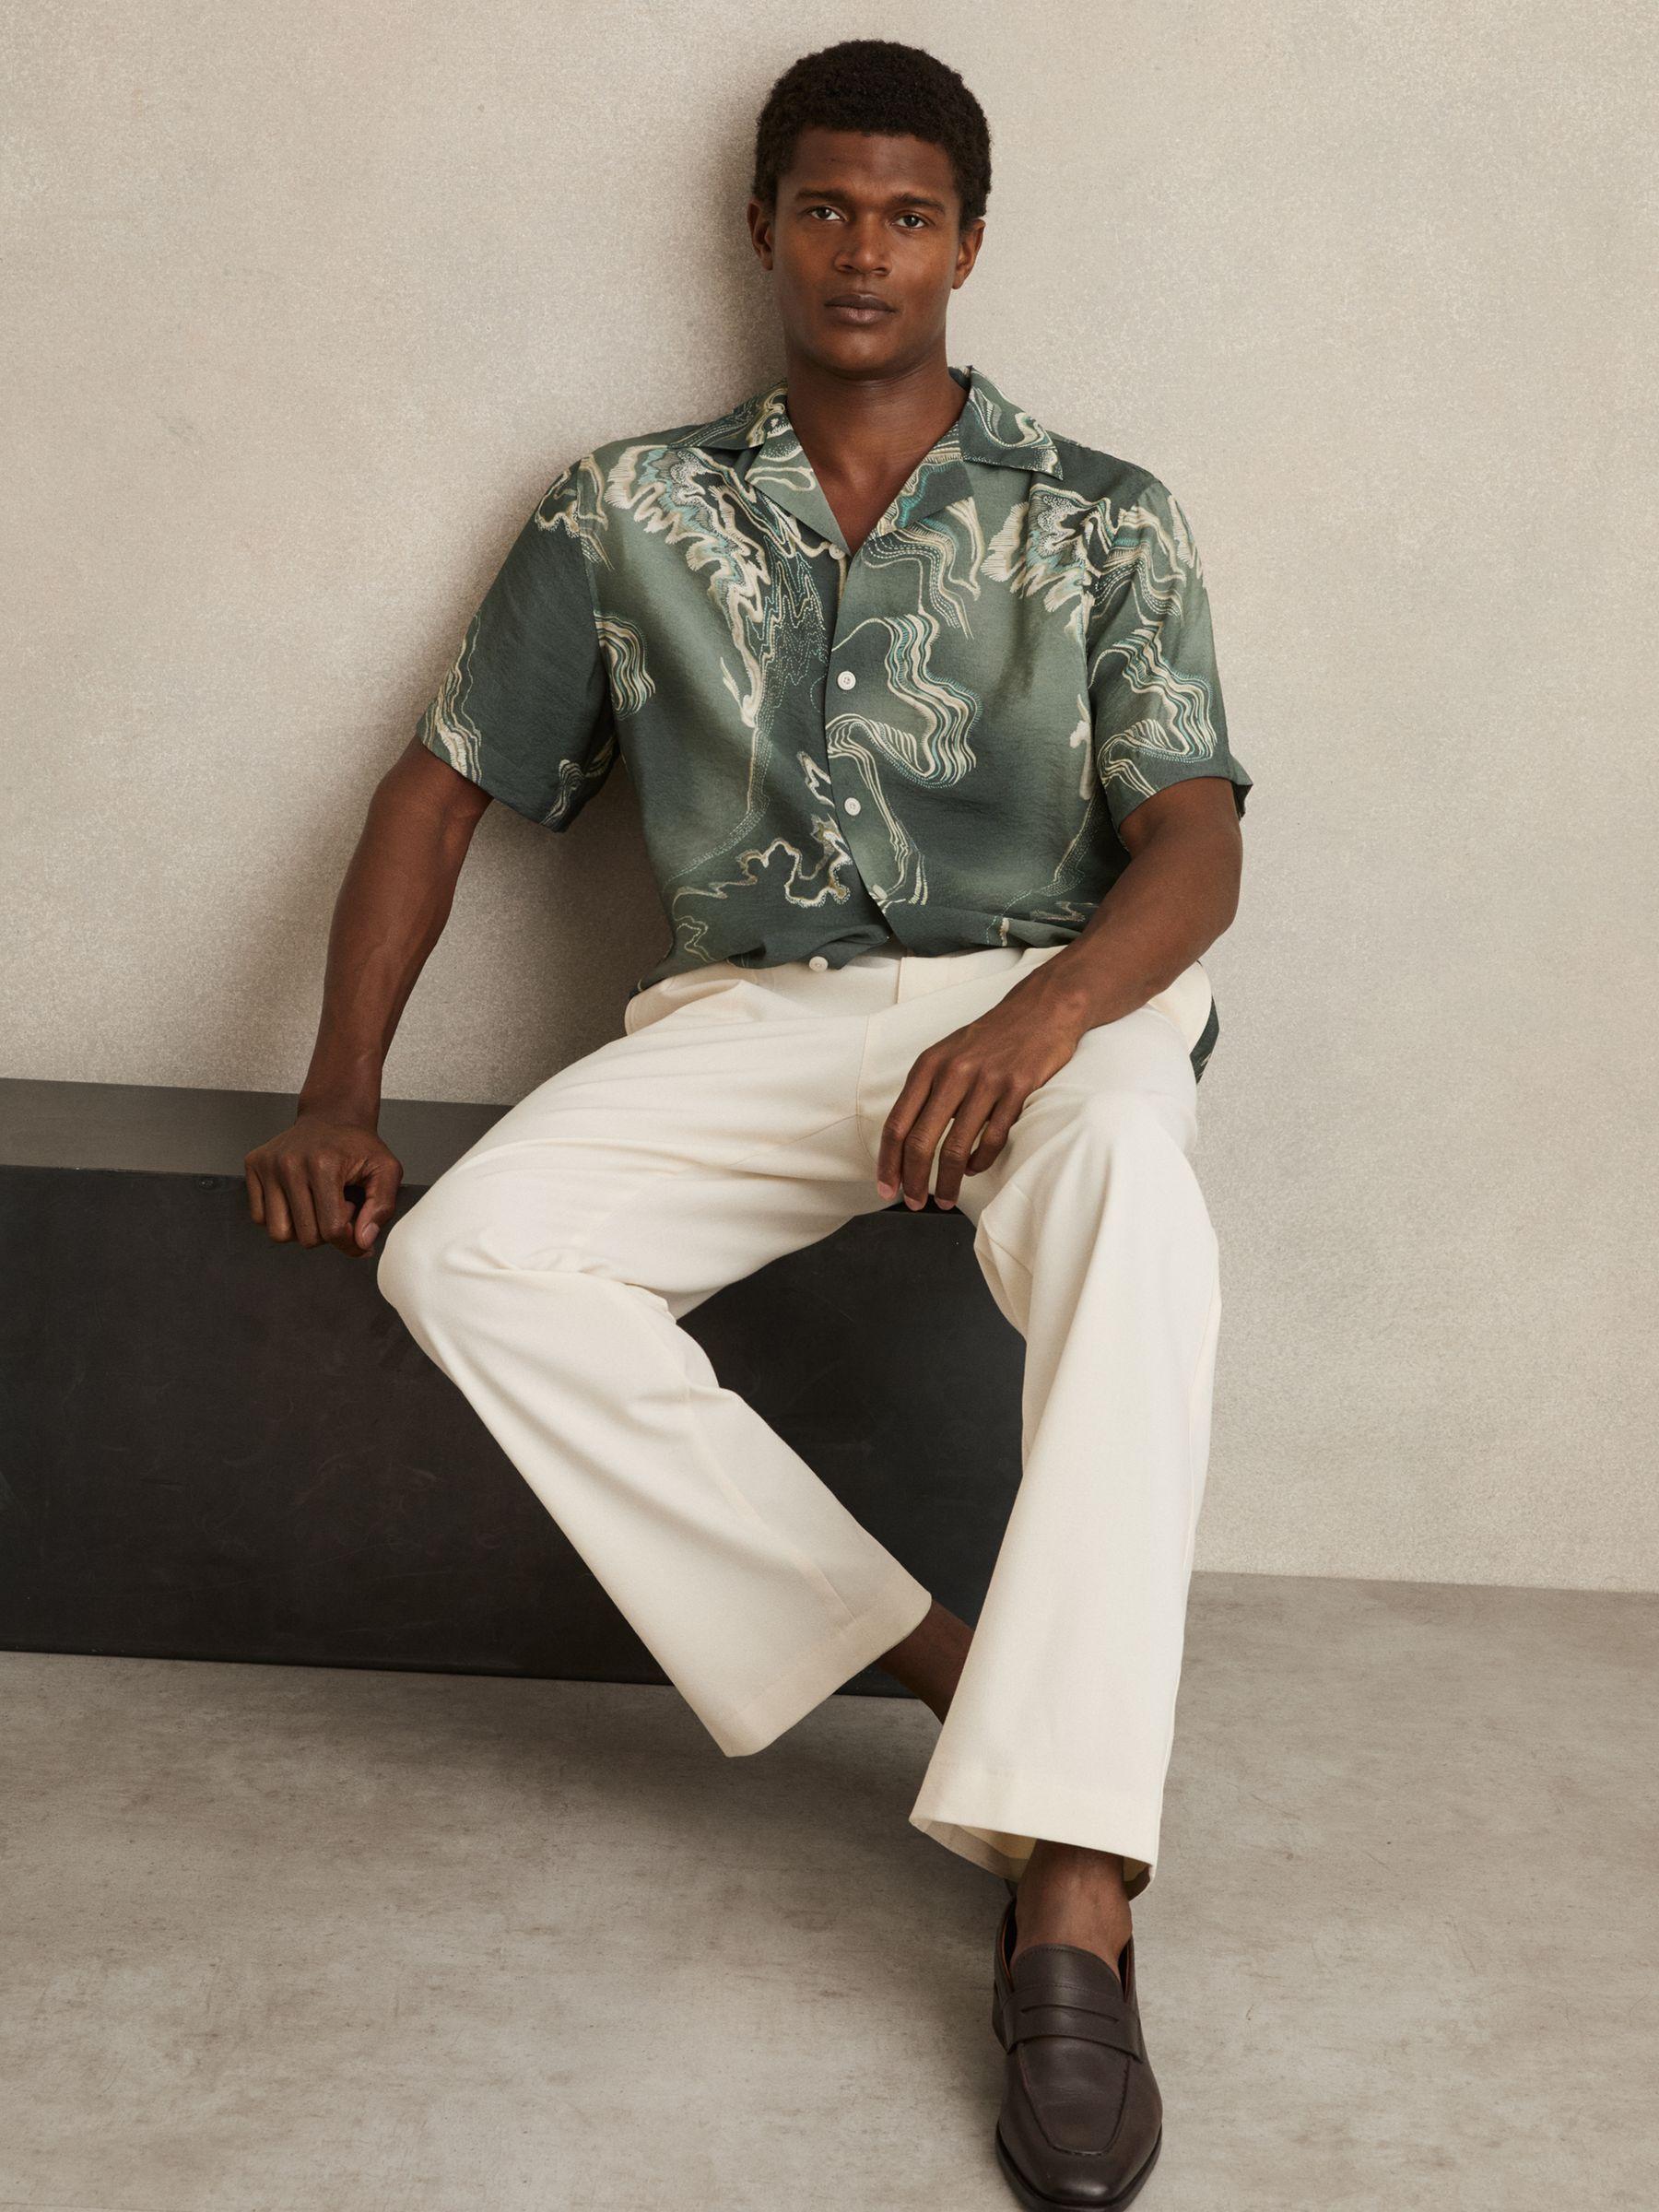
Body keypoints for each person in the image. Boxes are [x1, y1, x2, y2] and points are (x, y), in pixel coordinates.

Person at [244, 37, 1251, 2210]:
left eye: (909, 214)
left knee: (1137, 1206)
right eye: (826, 207)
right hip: (759, 1019)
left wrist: (1047, 1021)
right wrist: (336, 1088)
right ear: (766, 228)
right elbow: (438, 790)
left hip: (1051, 997)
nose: (864, 250)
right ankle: (949, 1665)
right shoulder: (626, 510)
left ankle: (1075, 1888)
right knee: (470, 1257)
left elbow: (1196, 840)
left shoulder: (1102, 514)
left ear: (967, 244)